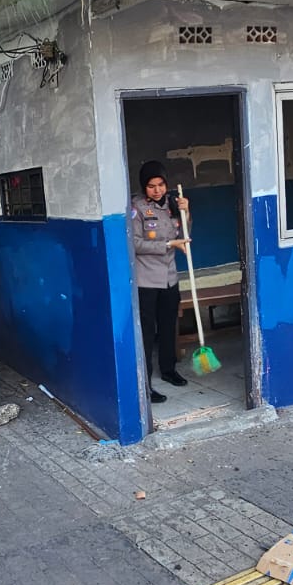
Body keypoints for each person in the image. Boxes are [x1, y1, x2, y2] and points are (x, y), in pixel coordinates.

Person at [128, 160, 191, 404]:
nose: (157, 190)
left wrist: (186, 212)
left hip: (169, 278)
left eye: (161, 185)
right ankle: (145, 383)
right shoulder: (137, 208)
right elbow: (134, 243)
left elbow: (184, 235)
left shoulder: (173, 204)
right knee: (146, 333)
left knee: (168, 327)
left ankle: (168, 369)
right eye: (151, 186)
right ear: (144, 186)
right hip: (146, 280)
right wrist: (167, 245)